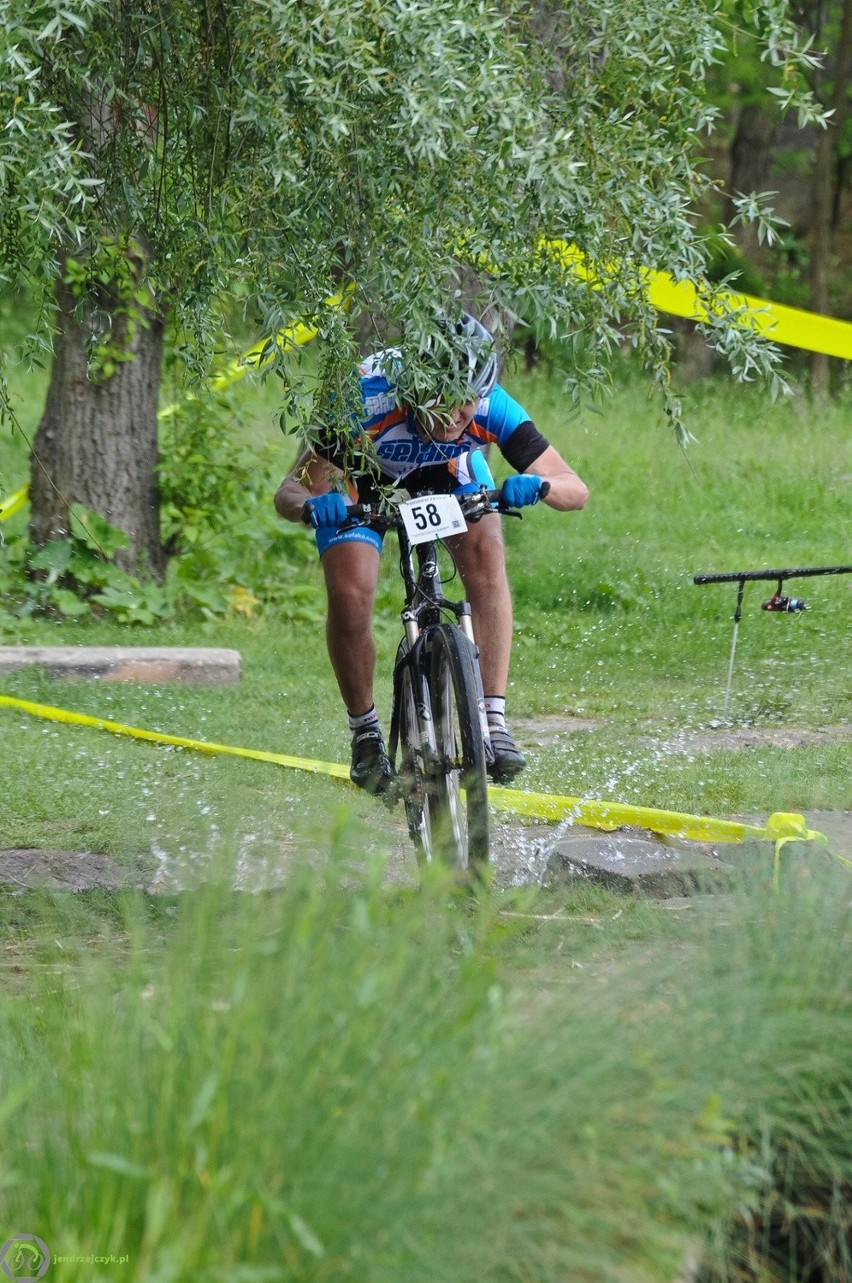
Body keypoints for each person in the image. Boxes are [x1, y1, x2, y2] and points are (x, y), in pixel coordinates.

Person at [275, 312, 589, 794]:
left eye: (466, 406)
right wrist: (315, 506)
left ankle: (492, 720)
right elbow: (288, 493)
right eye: (442, 405)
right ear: (410, 389)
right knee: (351, 593)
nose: (456, 416)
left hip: (446, 469)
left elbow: (576, 489)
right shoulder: (361, 399)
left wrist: (542, 484)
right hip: (364, 472)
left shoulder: (490, 406)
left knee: (486, 556)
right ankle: (365, 733)